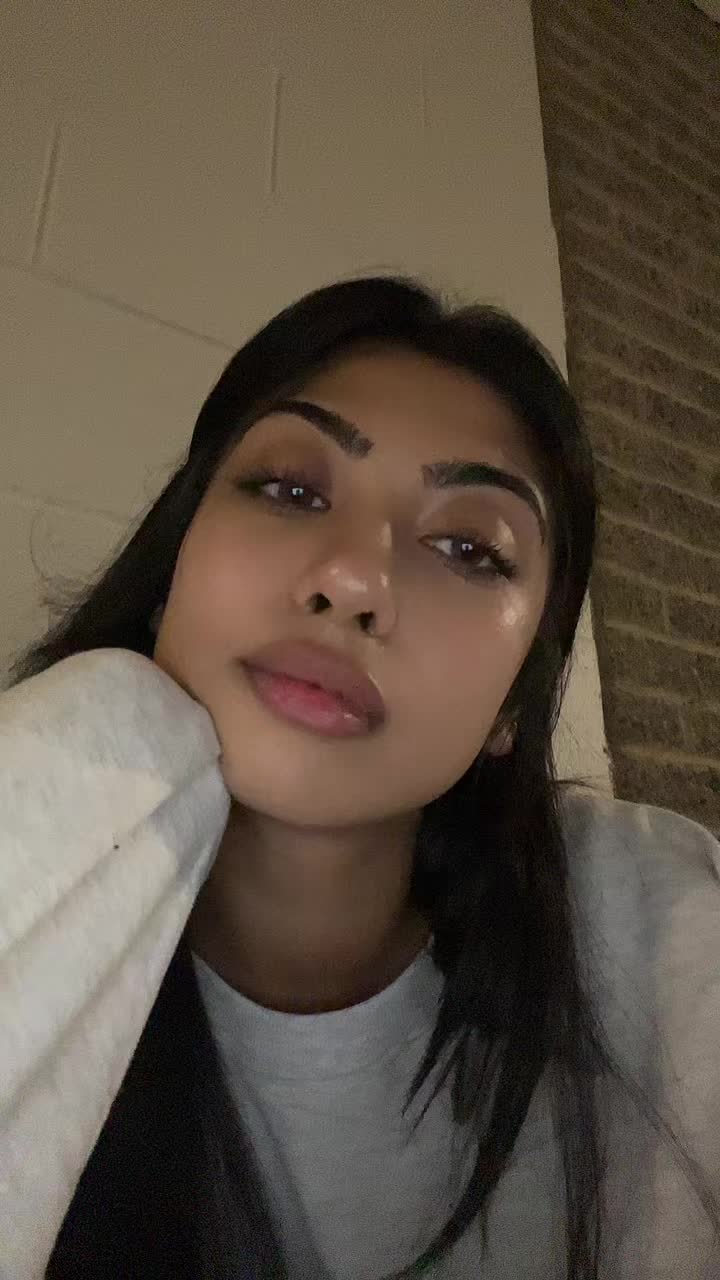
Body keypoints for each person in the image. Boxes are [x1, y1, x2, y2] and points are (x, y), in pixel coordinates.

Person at [1, 275, 719, 1280]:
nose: (354, 579)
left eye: (468, 548)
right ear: (175, 566)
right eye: (291, 490)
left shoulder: (657, 922)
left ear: (512, 706)